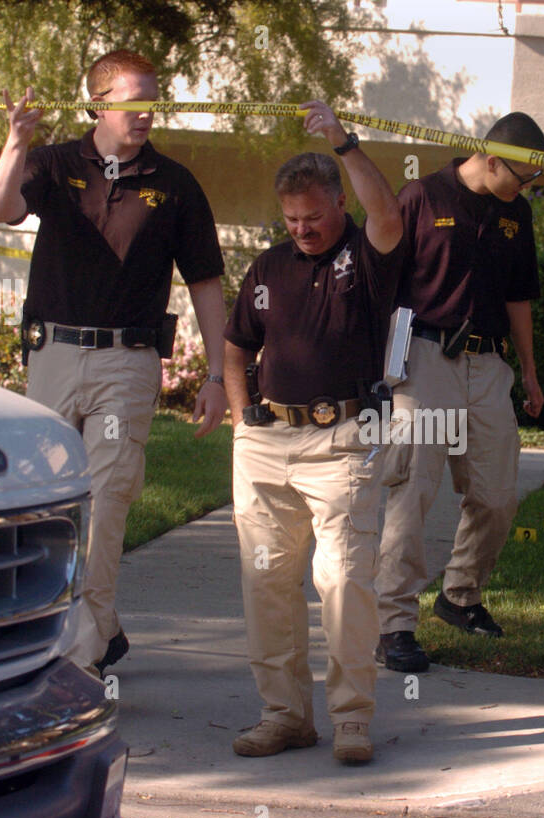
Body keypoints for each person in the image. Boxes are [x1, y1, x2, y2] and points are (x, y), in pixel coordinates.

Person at [0, 50, 228, 676]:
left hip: (129, 360)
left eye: (153, 99)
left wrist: (219, 377)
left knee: (108, 499)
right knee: (45, 504)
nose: (147, 112)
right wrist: (16, 142)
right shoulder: (56, 162)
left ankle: (80, 661)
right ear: (99, 103)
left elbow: (205, 282)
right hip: (55, 356)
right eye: (133, 100)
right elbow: (1, 208)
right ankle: (99, 626)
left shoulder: (175, 184)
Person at [223, 101, 405, 764]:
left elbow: (387, 214)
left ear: (337, 203)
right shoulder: (268, 268)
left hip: (342, 441)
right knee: (266, 581)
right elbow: (236, 345)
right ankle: (284, 714)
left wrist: (347, 144)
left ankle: (352, 716)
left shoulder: (368, 253)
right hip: (267, 442)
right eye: (291, 219)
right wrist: (243, 419)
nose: (301, 228)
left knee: (343, 579)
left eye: (314, 217)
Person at [374, 113, 544, 673]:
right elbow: (381, 283)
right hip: (426, 359)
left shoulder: (516, 214)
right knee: (413, 492)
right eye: (524, 177)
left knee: (497, 495)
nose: (529, 189)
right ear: (492, 159)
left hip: (489, 363)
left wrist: (528, 369)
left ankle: (460, 596)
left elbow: (520, 296)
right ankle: (394, 624)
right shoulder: (423, 196)